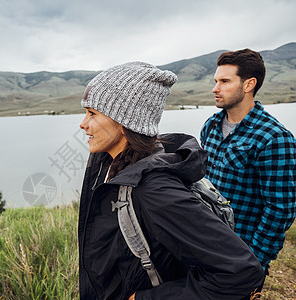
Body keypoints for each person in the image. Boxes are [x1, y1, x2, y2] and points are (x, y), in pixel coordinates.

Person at [78, 61, 264, 300]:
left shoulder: (153, 189)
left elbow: (241, 272)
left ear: (125, 121)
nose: (83, 124)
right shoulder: (112, 163)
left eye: (92, 113)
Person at [200, 49, 296, 277]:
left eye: (225, 81)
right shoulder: (210, 127)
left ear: (249, 85)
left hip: (239, 254)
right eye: (216, 81)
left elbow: (280, 210)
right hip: (203, 244)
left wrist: (253, 261)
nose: (215, 89)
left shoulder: (274, 138)